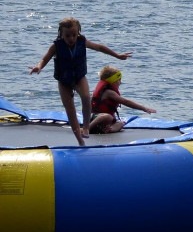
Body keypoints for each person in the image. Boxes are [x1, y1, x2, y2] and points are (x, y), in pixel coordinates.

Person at [29, 17, 132, 145]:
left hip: (79, 78)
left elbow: (99, 47)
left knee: (85, 98)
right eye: (67, 36)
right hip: (64, 81)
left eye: (74, 35)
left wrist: (117, 55)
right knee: (70, 110)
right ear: (61, 34)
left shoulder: (82, 42)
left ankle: (86, 128)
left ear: (78, 32)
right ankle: (79, 140)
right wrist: (39, 67)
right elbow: (45, 59)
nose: (71, 38)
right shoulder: (56, 46)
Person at [88, 65, 156, 134]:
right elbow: (126, 102)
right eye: (119, 80)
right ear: (112, 81)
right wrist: (144, 108)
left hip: (106, 123)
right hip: (97, 118)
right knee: (107, 117)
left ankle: (109, 129)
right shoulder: (109, 92)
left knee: (120, 123)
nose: (120, 82)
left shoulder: (106, 91)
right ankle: (87, 129)